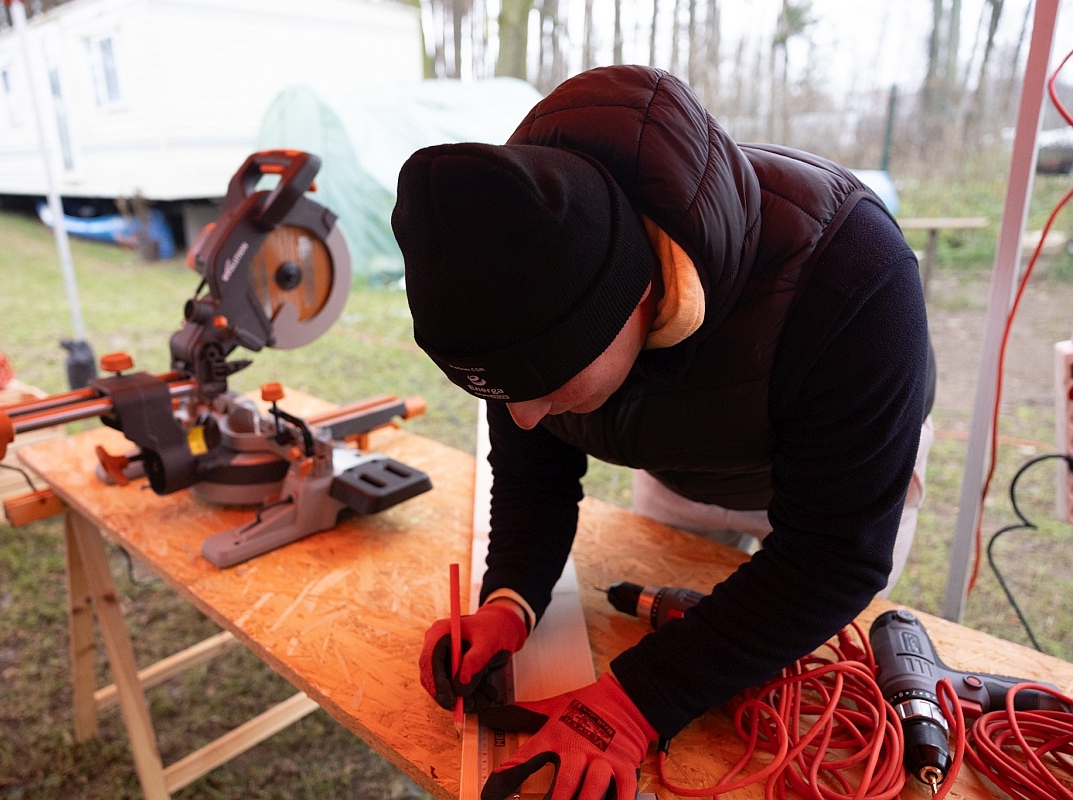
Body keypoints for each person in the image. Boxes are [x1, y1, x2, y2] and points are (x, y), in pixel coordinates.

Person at [392, 65, 934, 800]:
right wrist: (509, 600)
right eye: (502, 393)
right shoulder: (523, 264)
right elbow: (532, 473)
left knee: (796, 691)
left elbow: (833, 557)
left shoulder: (855, 278)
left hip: (838, 491)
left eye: (548, 388)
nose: (521, 418)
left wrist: (633, 702)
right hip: (683, 457)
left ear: (641, 296)